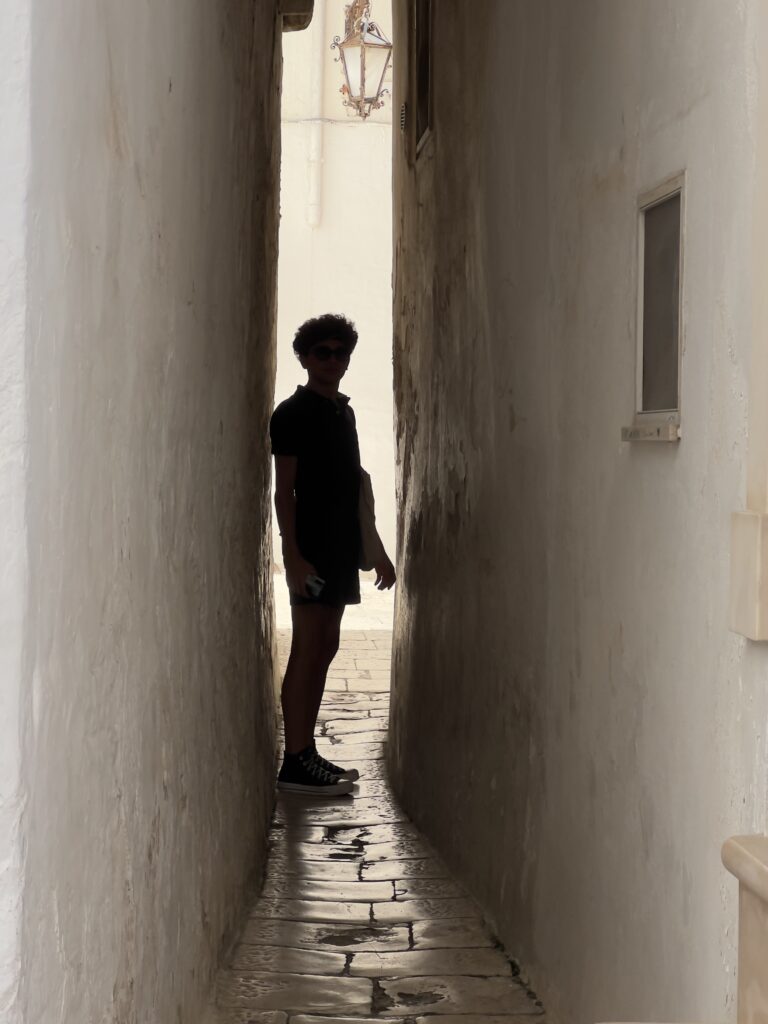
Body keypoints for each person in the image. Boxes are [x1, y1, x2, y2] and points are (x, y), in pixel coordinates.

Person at [270, 313, 396, 796]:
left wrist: (376, 551)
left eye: (341, 353)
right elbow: (285, 493)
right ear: (304, 357)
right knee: (307, 647)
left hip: (342, 549)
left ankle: (306, 752)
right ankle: (295, 761)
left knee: (326, 646)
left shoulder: (343, 412)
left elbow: (355, 487)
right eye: (323, 352)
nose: (333, 360)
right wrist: (293, 557)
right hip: (312, 548)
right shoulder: (292, 414)